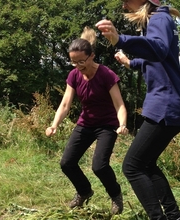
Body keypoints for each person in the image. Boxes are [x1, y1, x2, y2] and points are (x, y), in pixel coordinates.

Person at [96, 1, 180, 219]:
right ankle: (174, 216)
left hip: (167, 104)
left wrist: (120, 40)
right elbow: (159, 60)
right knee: (146, 164)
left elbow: (158, 50)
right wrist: (130, 63)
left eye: (126, 1)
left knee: (132, 167)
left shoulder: (159, 18)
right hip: (173, 102)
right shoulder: (160, 19)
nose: (124, 6)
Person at [45, 26, 128, 215]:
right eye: (73, 62)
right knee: (67, 163)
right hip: (86, 123)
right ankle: (84, 191)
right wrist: (54, 124)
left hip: (107, 125)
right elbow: (65, 104)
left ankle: (115, 196)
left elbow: (120, 105)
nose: (77, 66)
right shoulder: (74, 75)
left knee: (99, 166)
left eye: (81, 61)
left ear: (91, 56)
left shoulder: (106, 74)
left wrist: (122, 124)